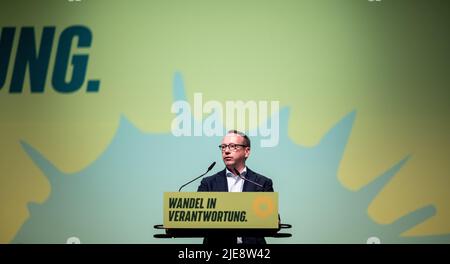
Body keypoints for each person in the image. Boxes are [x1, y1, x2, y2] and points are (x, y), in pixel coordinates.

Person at [197, 130, 274, 244]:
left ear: (246, 151)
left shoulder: (262, 183)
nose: (226, 151)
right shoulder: (208, 183)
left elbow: (271, 219)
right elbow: (197, 218)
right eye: (223, 147)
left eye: (233, 146)